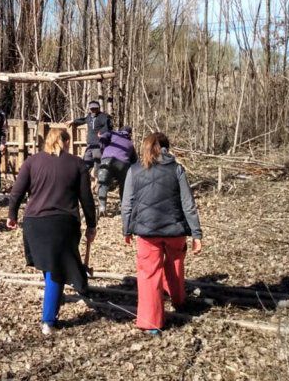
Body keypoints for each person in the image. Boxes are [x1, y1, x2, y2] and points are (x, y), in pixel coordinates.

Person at [7, 129, 97, 335]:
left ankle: (55, 298)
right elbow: (86, 198)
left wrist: (12, 214)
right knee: (55, 270)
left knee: (50, 266)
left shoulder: (32, 161)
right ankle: (48, 320)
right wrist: (92, 224)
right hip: (61, 223)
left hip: (34, 222)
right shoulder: (76, 163)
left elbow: (17, 191)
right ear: (65, 142)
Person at [121, 132, 203, 335]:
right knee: (175, 264)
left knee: (149, 274)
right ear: (167, 148)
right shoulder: (177, 169)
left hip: (146, 232)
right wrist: (196, 233)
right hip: (174, 229)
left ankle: (151, 322)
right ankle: (178, 300)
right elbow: (188, 204)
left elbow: (126, 204)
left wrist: (127, 228)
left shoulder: (135, 170)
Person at [96, 126, 137, 215]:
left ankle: (102, 207)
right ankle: (124, 207)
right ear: (129, 134)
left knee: (103, 184)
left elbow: (102, 138)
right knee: (124, 185)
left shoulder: (112, 134)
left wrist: (103, 151)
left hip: (107, 160)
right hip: (123, 163)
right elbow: (135, 161)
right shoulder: (130, 143)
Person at [69, 101, 112, 171]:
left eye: (95, 108)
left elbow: (109, 125)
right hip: (89, 145)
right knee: (85, 163)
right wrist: (73, 121)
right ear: (90, 109)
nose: (93, 110)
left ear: (98, 108)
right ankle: (85, 179)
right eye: (92, 108)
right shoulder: (89, 117)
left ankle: (98, 180)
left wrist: (101, 131)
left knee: (98, 165)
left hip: (98, 145)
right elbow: (82, 120)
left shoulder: (103, 116)